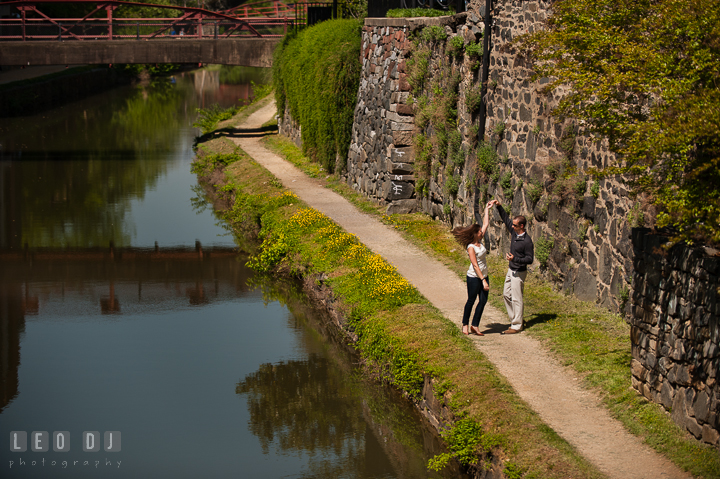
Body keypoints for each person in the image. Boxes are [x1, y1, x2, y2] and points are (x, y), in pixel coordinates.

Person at [489, 199, 534, 334]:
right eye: (513, 225)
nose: (512, 227)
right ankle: (515, 318)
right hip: (511, 270)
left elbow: (530, 259)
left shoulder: (527, 241)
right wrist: (498, 206)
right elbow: (506, 220)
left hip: (519, 272)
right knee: (506, 295)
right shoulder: (514, 233)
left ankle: (516, 325)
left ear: (522, 226)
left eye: (515, 225)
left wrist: (516, 259)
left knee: (517, 298)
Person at [452, 202, 492, 336]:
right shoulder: (471, 247)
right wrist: (483, 281)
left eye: (481, 231)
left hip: (484, 275)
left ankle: (475, 325)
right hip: (474, 277)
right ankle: (465, 324)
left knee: (483, 300)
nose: (482, 232)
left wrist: (487, 209)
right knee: (471, 300)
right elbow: (475, 265)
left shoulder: (479, 242)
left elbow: (485, 224)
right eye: (480, 231)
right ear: (475, 233)